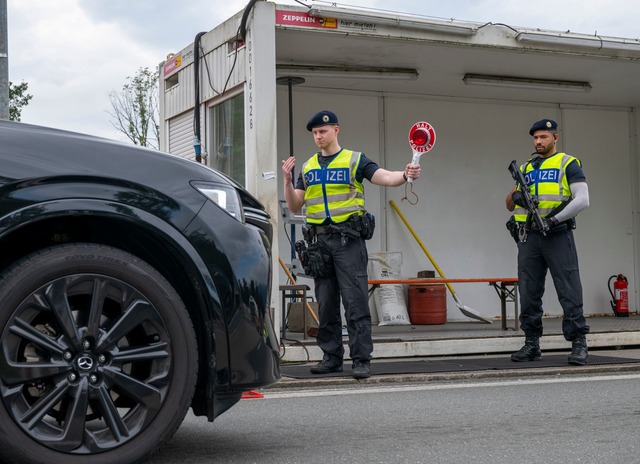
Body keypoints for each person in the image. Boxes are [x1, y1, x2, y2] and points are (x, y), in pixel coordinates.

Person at [282, 110, 421, 379]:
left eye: (322, 131)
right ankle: (331, 358)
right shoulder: (309, 167)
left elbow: (384, 177)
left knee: (355, 302)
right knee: (326, 303)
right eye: (314, 133)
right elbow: (294, 204)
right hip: (320, 244)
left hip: (348, 242)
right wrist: (288, 182)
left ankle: (360, 359)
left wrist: (405, 174)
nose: (318, 136)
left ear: (336, 130)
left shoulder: (354, 160)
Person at [506, 118, 590, 365]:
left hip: (556, 234)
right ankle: (531, 344)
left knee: (569, 288)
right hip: (529, 237)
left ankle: (579, 344)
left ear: (555, 138)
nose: (538, 141)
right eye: (535, 138)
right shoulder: (527, 167)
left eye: (543, 137)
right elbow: (508, 204)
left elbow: (582, 199)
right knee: (529, 291)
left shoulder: (568, 163)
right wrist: (516, 195)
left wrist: (554, 220)